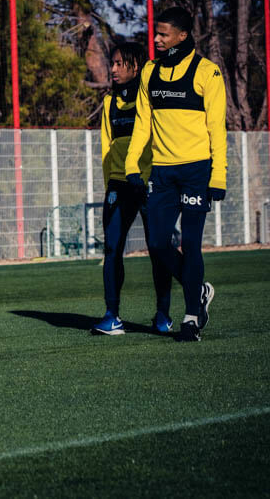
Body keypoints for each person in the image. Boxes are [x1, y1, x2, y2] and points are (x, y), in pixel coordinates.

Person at [124, 6, 225, 342]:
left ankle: (191, 318)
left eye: (163, 34)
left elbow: (217, 128)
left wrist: (218, 176)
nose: (156, 39)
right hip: (162, 172)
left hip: (197, 170)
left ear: (182, 36)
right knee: (156, 244)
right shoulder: (150, 72)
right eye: (156, 32)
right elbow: (142, 123)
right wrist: (132, 165)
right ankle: (200, 290)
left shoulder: (207, 72)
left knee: (191, 245)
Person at [92, 41, 174, 336]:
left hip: (149, 183)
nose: (113, 69)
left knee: (158, 249)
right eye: (111, 63)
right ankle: (112, 316)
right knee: (112, 248)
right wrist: (109, 186)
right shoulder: (109, 103)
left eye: (119, 63)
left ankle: (163, 315)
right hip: (118, 185)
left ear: (136, 66)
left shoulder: (151, 98)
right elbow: (107, 146)